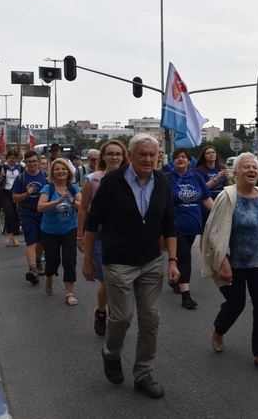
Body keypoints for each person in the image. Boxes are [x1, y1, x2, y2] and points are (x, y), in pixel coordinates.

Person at [83, 134, 179, 399]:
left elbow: (169, 224)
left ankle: (143, 374)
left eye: (153, 155)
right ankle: (111, 353)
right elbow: (93, 222)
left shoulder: (162, 181)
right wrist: (88, 259)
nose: (149, 159)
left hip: (150, 261)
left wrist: (172, 260)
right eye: (143, 155)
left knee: (150, 319)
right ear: (131, 156)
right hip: (118, 262)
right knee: (123, 317)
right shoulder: (112, 182)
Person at [202, 152, 258, 372]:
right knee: (236, 304)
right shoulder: (227, 197)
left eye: (254, 167)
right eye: (246, 167)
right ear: (235, 173)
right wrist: (223, 260)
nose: (252, 170)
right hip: (234, 262)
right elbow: (216, 232)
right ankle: (218, 330)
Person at [77, 140, 129, 335]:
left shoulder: (131, 177)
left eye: (118, 154)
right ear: (103, 157)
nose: (114, 157)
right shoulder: (93, 179)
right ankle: (101, 312)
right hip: (99, 233)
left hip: (124, 232)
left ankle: (118, 314)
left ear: (124, 156)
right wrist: (80, 235)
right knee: (106, 279)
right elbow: (83, 209)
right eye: (110, 154)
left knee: (123, 278)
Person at [167, 147, 213, 309]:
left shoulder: (196, 177)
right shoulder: (167, 178)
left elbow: (206, 199)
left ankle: (174, 276)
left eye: (183, 157)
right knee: (185, 256)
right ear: (173, 161)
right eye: (177, 157)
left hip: (193, 224)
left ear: (189, 160)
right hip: (174, 226)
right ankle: (186, 296)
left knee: (180, 256)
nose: (180, 159)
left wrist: (218, 216)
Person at [37, 158, 82, 305]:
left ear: (68, 171)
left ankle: (69, 293)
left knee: (69, 260)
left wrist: (71, 201)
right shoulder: (48, 189)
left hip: (69, 229)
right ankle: (49, 277)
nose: (60, 172)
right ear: (53, 173)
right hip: (50, 231)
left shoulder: (74, 188)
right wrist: (57, 201)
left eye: (63, 169)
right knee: (53, 260)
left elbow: (83, 207)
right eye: (57, 169)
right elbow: (40, 207)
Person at [13, 151, 48, 282]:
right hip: (27, 213)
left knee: (41, 241)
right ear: (25, 163)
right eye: (29, 162)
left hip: (43, 213)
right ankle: (32, 269)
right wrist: (26, 194)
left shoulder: (45, 176)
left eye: (34, 161)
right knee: (30, 241)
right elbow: (15, 198)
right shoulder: (21, 178)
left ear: (38, 162)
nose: (32, 164)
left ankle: (39, 262)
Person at [194, 146, 231, 250]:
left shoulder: (221, 167)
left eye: (213, 152)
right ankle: (205, 256)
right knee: (205, 233)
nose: (211, 154)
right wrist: (217, 178)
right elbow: (202, 188)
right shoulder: (199, 171)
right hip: (206, 205)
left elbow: (230, 187)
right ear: (204, 156)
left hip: (222, 203)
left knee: (221, 232)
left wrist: (227, 177)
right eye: (208, 153)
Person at [0, 150, 23, 247]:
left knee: (16, 215)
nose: (13, 160)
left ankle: (15, 236)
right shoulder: (2, 167)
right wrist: (1, 176)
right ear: (7, 158)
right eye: (12, 158)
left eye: (15, 158)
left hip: (17, 193)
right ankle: (9, 233)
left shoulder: (20, 167)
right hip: (6, 193)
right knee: (9, 214)